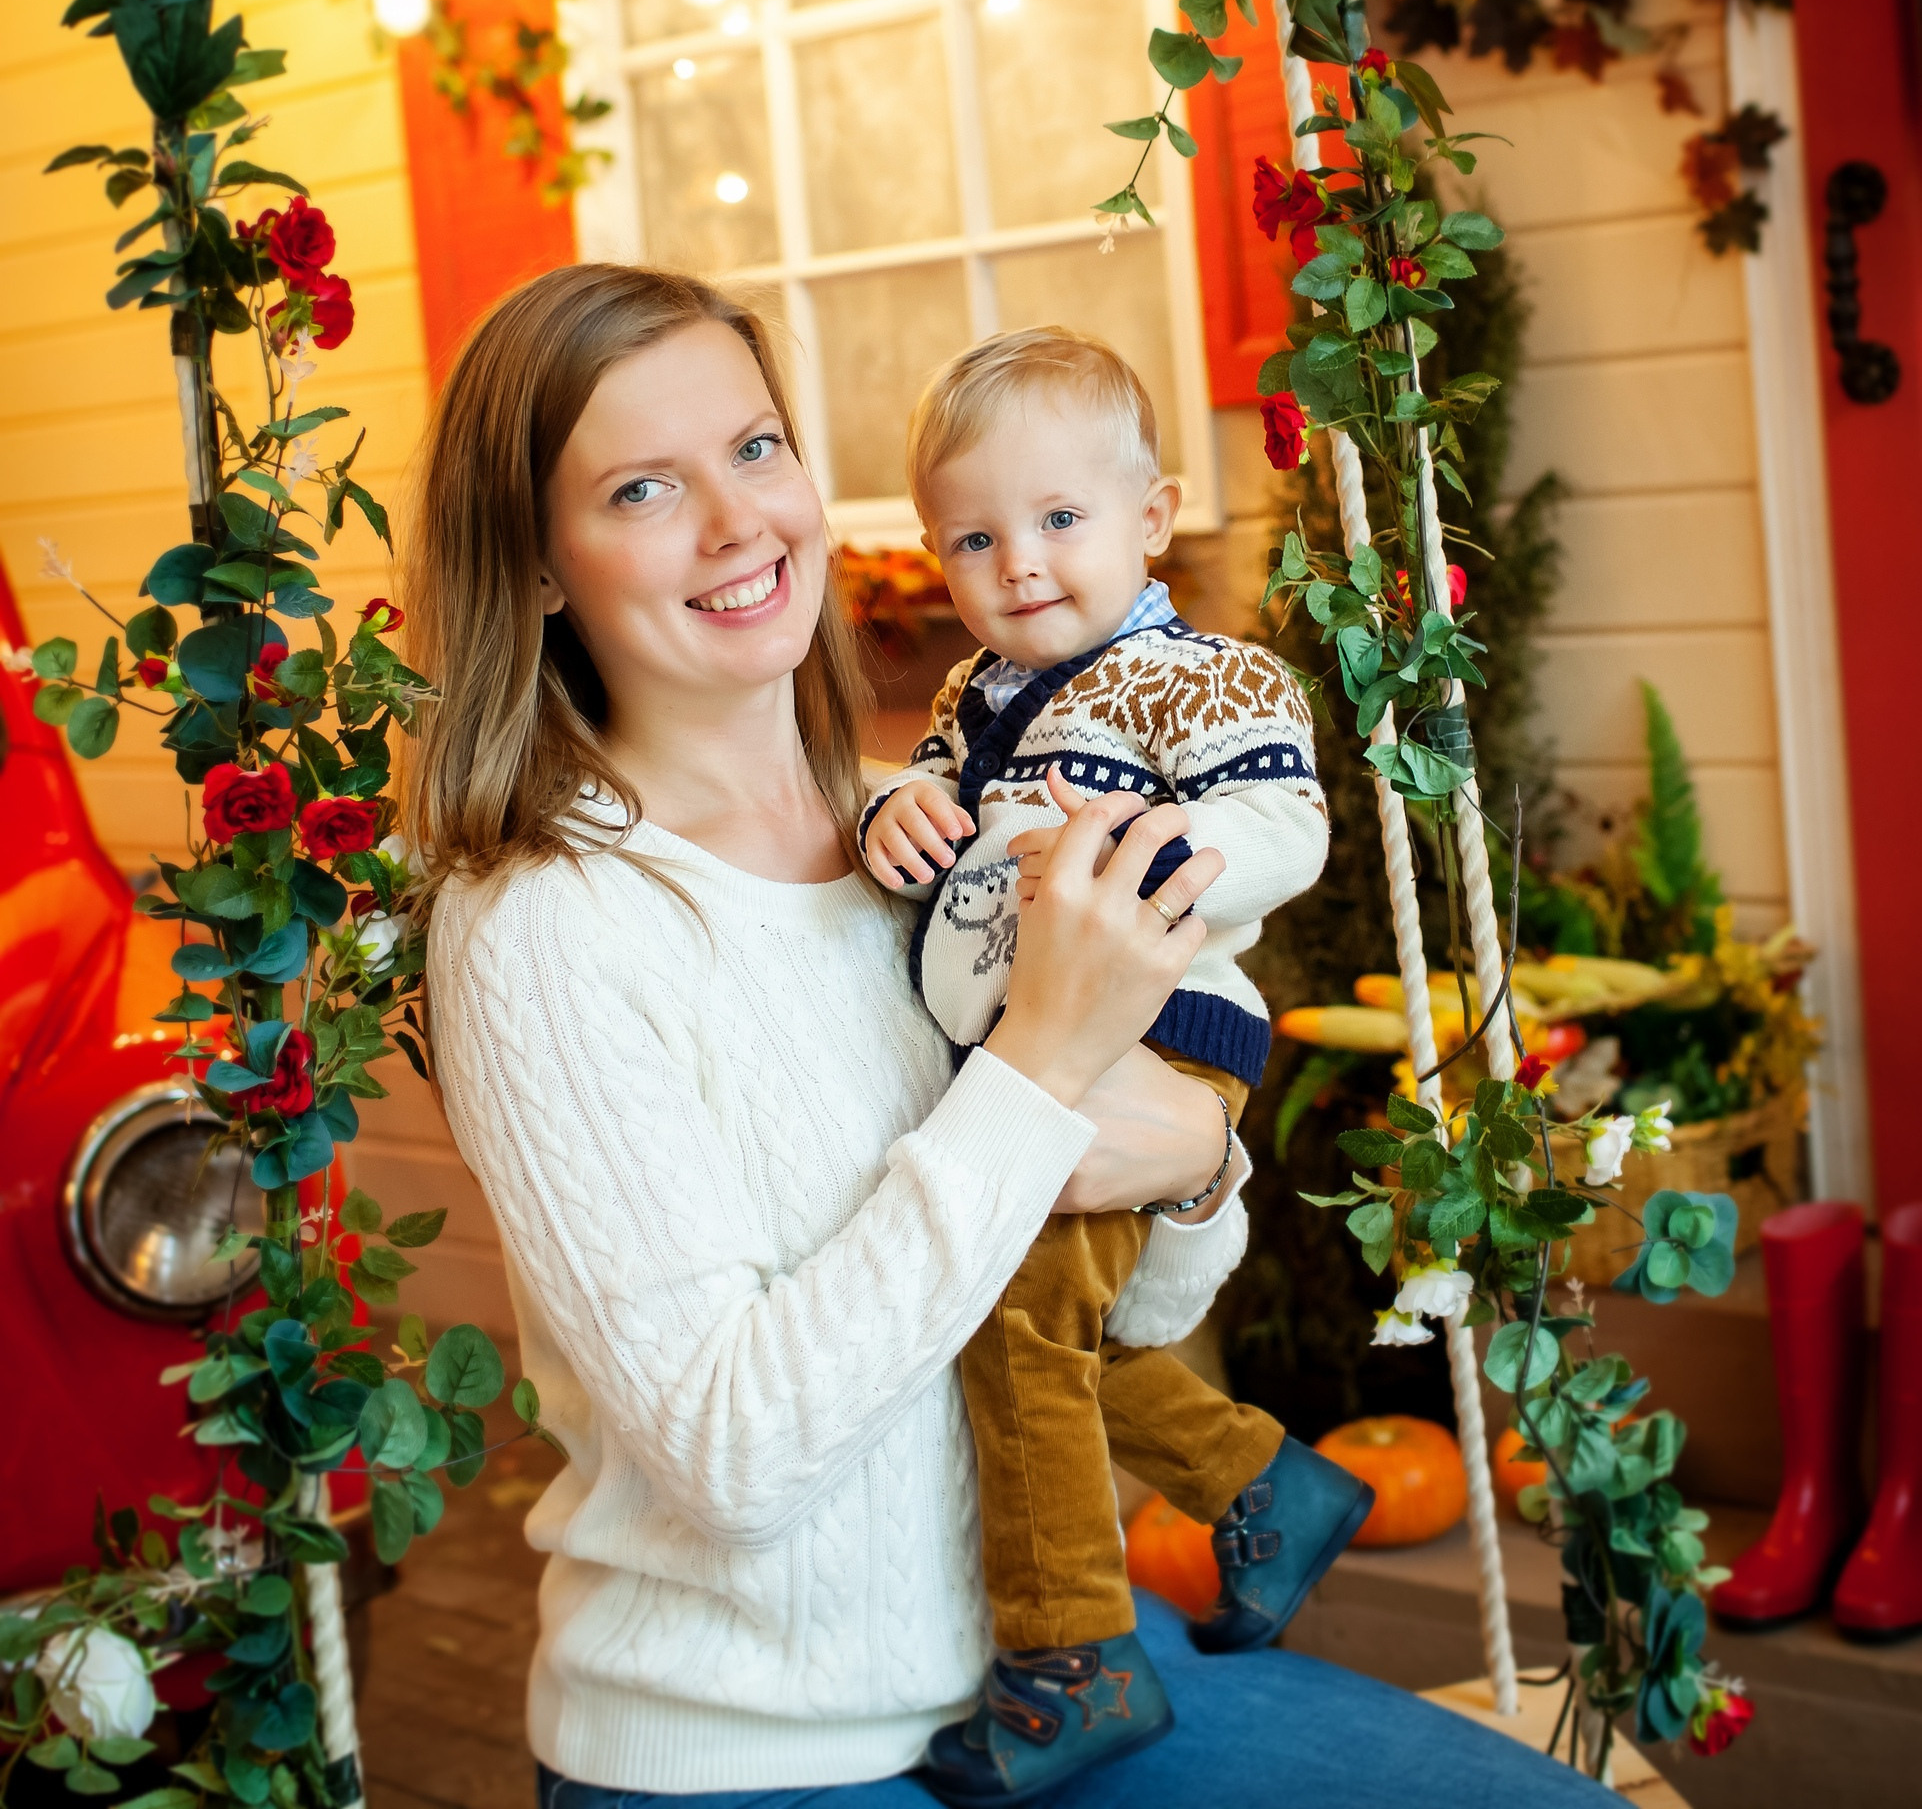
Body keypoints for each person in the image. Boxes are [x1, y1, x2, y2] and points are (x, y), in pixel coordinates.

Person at [405, 264, 1607, 1809]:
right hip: (756, 1752)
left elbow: (1122, 1310)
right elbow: (730, 1460)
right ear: (542, 563)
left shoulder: (926, 833)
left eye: (756, 450)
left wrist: (1189, 1170)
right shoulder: (547, 925)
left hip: (1050, 1675)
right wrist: (1039, 1065)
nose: (736, 524)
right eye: (644, 487)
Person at [859, 330, 1371, 1800]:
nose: (1019, 563)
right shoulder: (971, 704)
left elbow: (1286, 835)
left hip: (1159, 1026)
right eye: (975, 536)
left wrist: (1125, 864)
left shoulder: (1202, 681)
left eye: (1059, 520)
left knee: (1015, 1327)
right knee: (1023, 1325)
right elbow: (936, 824)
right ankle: (1263, 1483)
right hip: (1031, 1047)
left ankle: (1071, 1654)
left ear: (1149, 519)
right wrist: (898, 809)